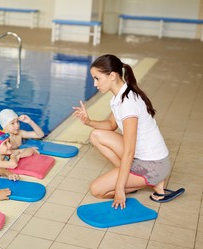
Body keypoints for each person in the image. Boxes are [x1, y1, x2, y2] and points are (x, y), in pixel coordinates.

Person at [73, 54, 184, 209]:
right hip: (143, 157)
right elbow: (111, 125)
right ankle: (133, 177)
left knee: (97, 190)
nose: (95, 83)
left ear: (112, 76)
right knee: (96, 135)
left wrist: (119, 189)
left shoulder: (128, 103)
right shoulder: (120, 96)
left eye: (97, 78)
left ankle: (148, 181)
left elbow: (129, 151)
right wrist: (88, 122)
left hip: (153, 165)